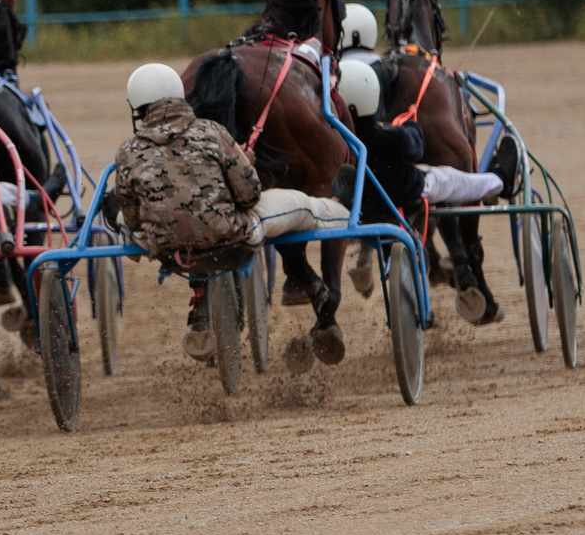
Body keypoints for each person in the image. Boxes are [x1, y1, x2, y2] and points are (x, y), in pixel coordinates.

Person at [109, 63, 347, 357]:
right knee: (300, 205)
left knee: (123, 220)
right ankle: (339, 210)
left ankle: (200, 310)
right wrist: (244, 163)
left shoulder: (127, 152)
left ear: (141, 110)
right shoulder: (212, 132)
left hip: (170, 254)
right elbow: (250, 196)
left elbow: (132, 220)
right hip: (233, 243)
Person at [338, 59, 504, 213]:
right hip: (406, 194)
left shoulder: (337, 140)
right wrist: (411, 125)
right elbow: (416, 147)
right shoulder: (392, 138)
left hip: (359, 206)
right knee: (451, 178)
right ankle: (499, 181)